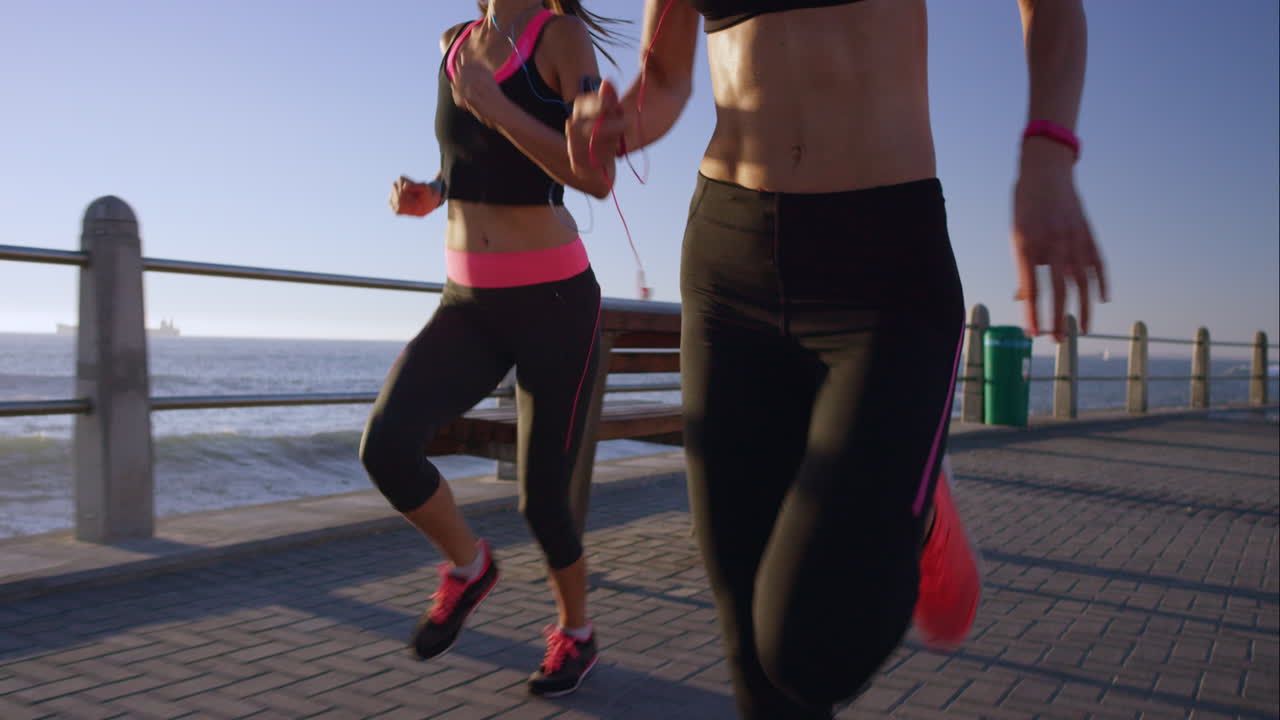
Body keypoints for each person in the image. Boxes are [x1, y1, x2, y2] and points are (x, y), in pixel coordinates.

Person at [566, 0, 1106, 717]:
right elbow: (665, 80)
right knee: (754, 659)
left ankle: (916, 516)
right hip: (729, 265)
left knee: (810, 652)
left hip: (883, 270)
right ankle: (903, 492)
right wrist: (619, 124)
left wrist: (1047, 151)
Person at [360, 0, 626, 697]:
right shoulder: (454, 45)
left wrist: (497, 108)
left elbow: (596, 176)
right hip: (468, 303)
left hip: (555, 304)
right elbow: (475, 157)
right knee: (385, 446)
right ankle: (468, 565)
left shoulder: (560, 39)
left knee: (542, 501)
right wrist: (433, 191)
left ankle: (576, 633)